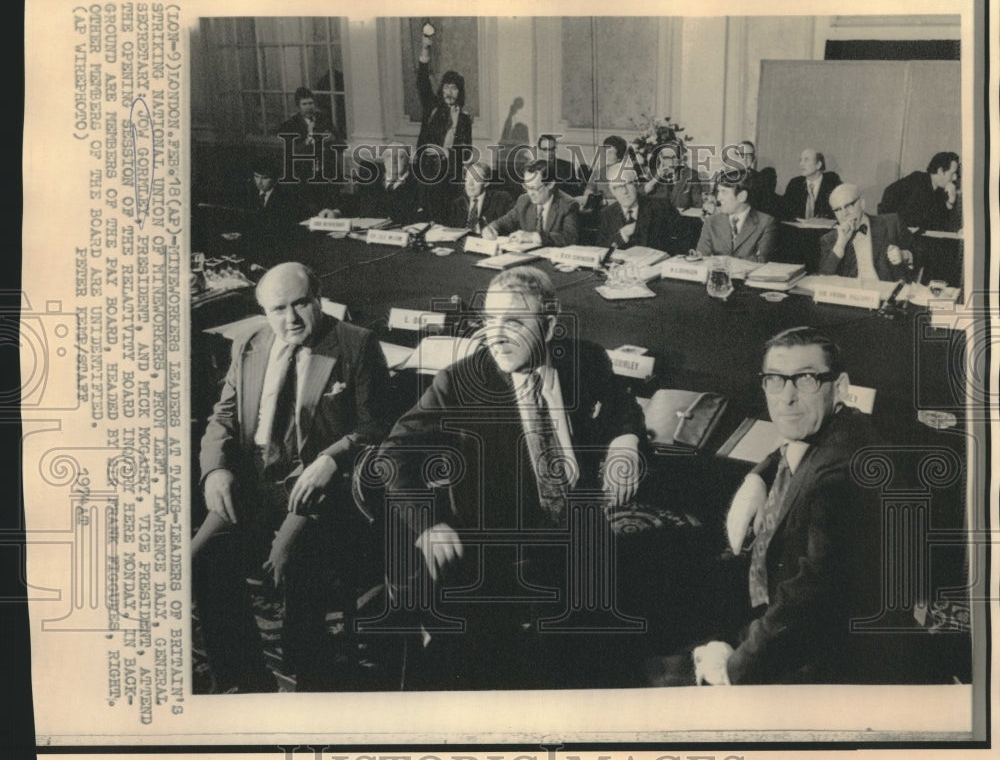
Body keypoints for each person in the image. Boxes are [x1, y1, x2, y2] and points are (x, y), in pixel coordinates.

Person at [377, 266, 645, 688]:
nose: (497, 336)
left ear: (551, 326)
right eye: (490, 322)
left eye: (515, 322)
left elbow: (621, 404)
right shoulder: (459, 384)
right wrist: (428, 524)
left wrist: (625, 440)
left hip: (580, 526)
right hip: (504, 548)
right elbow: (392, 455)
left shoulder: (585, 358)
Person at [192, 262, 392, 692]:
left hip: (315, 487)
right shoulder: (248, 342)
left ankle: (310, 678)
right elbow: (222, 418)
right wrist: (216, 469)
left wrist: (333, 458)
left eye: (300, 304)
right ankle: (243, 679)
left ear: (318, 299)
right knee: (201, 557)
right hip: (253, 478)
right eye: (278, 309)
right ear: (263, 310)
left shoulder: (356, 345)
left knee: (289, 562)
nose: (291, 319)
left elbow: (378, 427)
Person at [651, 327, 881, 685]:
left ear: (840, 385)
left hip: (808, 660)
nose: (786, 398)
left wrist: (730, 668)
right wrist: (758, 476)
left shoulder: (840, 479)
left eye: (805, 379)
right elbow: (790, 442)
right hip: (768, 605)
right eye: (775, 380)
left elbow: (807, 603)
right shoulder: (845, 426)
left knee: (651, 680)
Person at [414, 30, 472, 220]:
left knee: (448, 216)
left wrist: (453, 154)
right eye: (446, 86)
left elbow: (467, 151)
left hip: (452, 174)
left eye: (454, 87)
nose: (449, 91)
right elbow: (422, 81)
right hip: (429, 171)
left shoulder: (464, 118)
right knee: (428, 214)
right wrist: (425, 49)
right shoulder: (433, 107)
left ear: (459, 92)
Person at [818, 183, 915, 282]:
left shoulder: (891, 223)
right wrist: (840, 245)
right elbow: (823, 279)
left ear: (862, 203)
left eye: (849, 205)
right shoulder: (830, 239)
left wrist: (904, 255)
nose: (844, 214)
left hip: (886, 292)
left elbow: (921, 253)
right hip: (851, 294)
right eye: (838, 210)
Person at [483, 160, 580, 248]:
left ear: (550, 184)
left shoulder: (568, 204)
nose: (530, 193)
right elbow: (504, 223)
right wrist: (491, 229)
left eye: (534, 188)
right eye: (527, 187)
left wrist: (534, 236)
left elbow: (570, 237)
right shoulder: (524, 201)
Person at [695, 170, 777, 262]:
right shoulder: (711, 222)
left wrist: (720, 262)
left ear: (742, 196)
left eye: (724, 192)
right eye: (718, 191)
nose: (718, 198)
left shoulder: (765, 223)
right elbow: (700, 259)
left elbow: (760, 262)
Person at [599, 160, 680, 252]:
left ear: (636, 184)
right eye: (618, 187)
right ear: (612, 191)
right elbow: (601, 250)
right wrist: (622, 235)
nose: (624, 192)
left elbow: (682, 241)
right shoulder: (607, 214)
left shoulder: (661, 207)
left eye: (627, 184)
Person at [878, 151, 961, 232]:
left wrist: (950, 202)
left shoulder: (940, 191)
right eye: (952, 173)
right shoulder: (917, 180)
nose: (955, 178)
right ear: (940, 171)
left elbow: (945, 227)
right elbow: (923, 221)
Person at [352, 144, 423, 225]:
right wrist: (337, 212)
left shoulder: (418, 186)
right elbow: (356, 203)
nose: (393, 161)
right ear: (384, 160)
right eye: (389, 156)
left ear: (408, 160)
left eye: (400, 157)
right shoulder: (371, 182)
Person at [446, 161, 514, 233]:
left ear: (486, 183)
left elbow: (508, 227)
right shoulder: (458, 203)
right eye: (467, 178)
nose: (470, 184)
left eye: (475, 179)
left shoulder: (501, 200)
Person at [780, 148, 842, 221]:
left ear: (818, 165)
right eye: (800, 160)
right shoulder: (794, 184)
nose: (801, 164)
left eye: (806, 160)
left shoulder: (832, 183)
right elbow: (784, 212)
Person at [643, 142, 704, 212]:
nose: (671, 162)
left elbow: (698, 204)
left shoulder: (691, 174)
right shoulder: (653, 175)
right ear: (660, 158)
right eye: (667, 157)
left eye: (675, 157)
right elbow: (644, 193)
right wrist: (657, 177)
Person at [728, 139, 779, 217]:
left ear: (753, 159)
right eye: (741, 155)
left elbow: (764, 207)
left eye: (748, 156)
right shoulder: (725, 177)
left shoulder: (761, 179)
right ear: (736, 157)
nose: (744, 159)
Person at [577, 135, 629, 209]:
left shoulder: (626, 174)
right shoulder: (597, 173)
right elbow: (588, 193)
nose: (605, 155)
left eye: (610, 153)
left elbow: (627, 199)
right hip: (599, 211)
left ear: (619, 157)